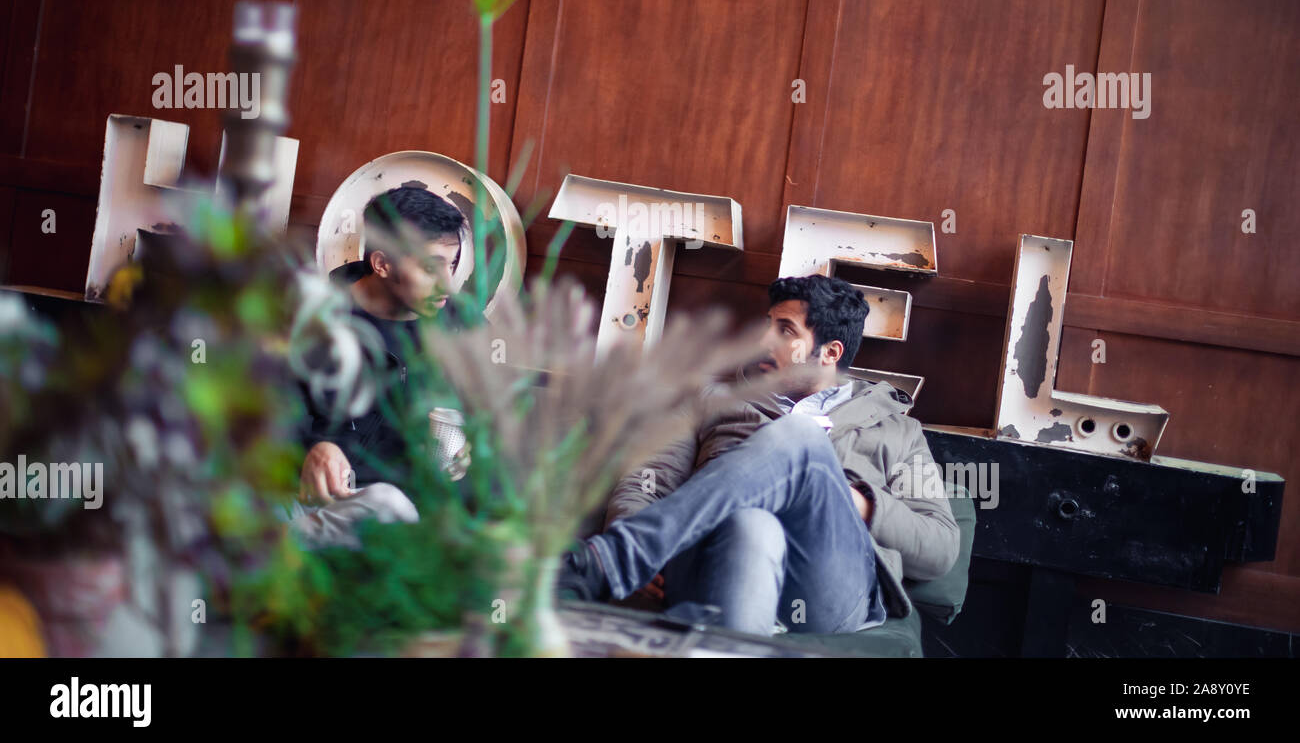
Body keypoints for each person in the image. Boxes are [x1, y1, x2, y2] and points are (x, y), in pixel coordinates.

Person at [557, 274, 961, 637]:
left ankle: (614, 560)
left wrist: (857, 500)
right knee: (753, 523)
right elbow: (648, 480)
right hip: (714, 563)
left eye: (785, 330)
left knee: (800, 435)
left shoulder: (899, 429)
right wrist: (630, 525)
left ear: (830, 353)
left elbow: (940, 545)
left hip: (827, 586)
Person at [289, 186, 468, 547]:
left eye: (451, 264)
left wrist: (475, 447)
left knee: (391, 507)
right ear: (382, 264)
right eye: (431, 268)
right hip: (308, 494)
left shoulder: (461, 325)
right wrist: (314, 445)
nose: (448, 284)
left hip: (405, 507)